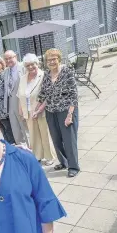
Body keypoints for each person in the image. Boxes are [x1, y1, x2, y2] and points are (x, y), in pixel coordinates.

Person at [37, 49, 80, 177]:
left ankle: (73, 167)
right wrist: (36, 110)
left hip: (66, 110)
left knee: (69, 140)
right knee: (56, 139)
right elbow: (42, 94)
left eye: (54, 59)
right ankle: (63, 161)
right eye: (49, 60)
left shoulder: (67, 71)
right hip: (51, 111)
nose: (51, 62)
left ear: (59, 59)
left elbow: (74, 95)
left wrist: (70, 115)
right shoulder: (46, 75)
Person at [18, 54, 56, 166]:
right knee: (33, 135)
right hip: (28, 111)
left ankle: (49, 156)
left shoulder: (44, 75)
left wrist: (39, 109)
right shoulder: (23, 78)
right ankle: (37, 156)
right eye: (27, 65)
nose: (30, 67)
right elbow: (20, 95)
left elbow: (48, 95)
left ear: (37, 63)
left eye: (32, 64)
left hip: (41, 110)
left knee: (45, 134)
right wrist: (21, 110)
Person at [4, 50, 29, 146]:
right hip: (10, 103)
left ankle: (33, 151)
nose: (8, 60)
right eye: (6, 59)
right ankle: (22, 149)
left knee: (25, 128)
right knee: (15, 129)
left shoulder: (23, 67)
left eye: (10, 58)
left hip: (22, 102)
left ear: (16, 57)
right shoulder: (6, 71)